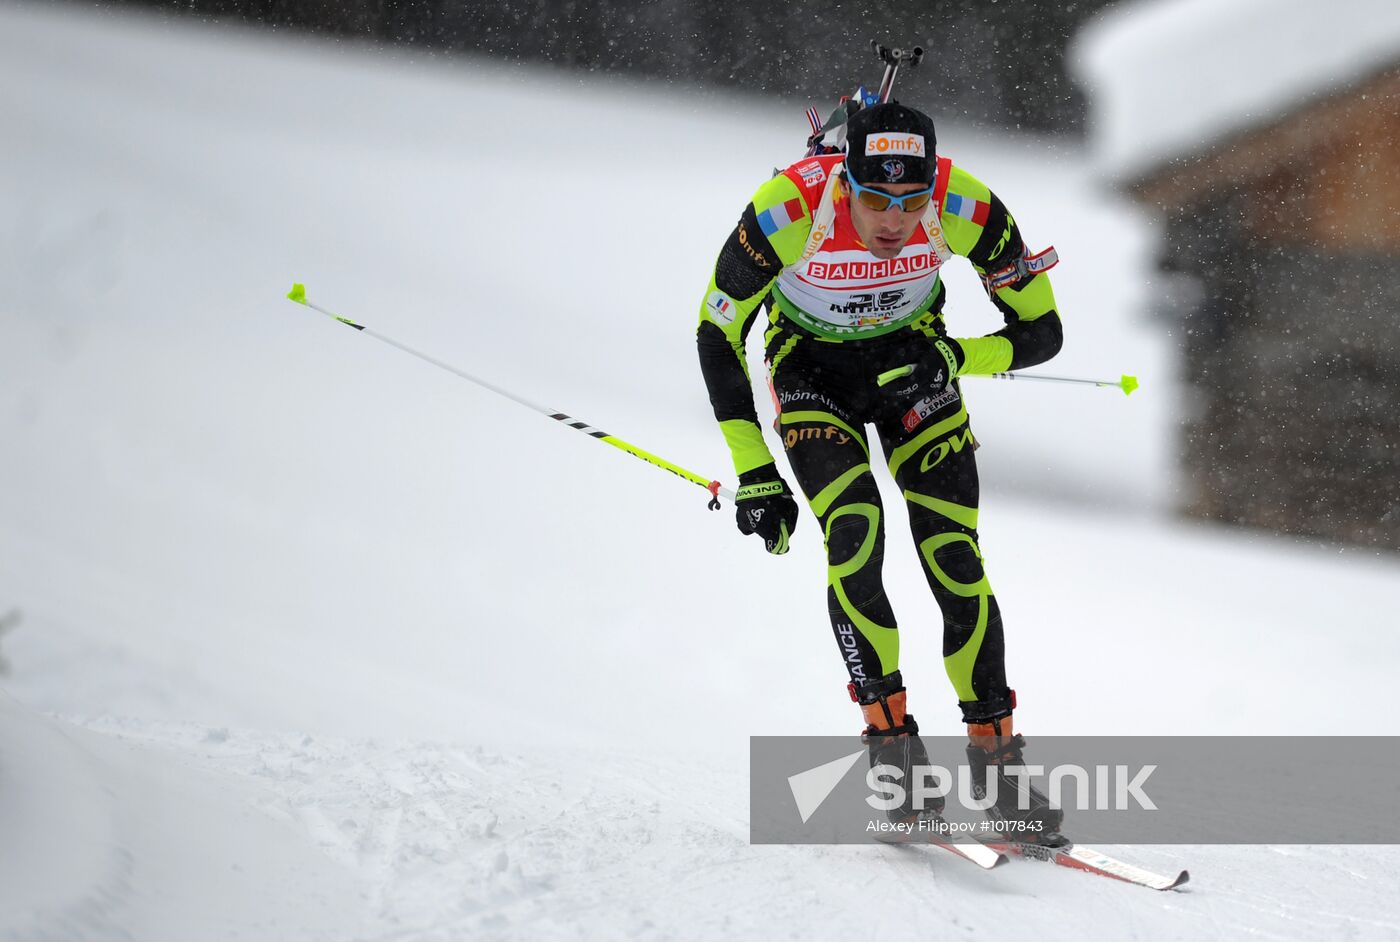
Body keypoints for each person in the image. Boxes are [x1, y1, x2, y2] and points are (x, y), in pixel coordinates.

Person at [696, 101, 1063, 834]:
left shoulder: (966, 205)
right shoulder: (787, 207)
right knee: (856, 533)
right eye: (874, 199)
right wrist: (756, 469)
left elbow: (1042, 331)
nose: (895, 221)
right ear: (844, 180)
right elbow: (717, 331)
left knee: (954, 556)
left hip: (913, 366)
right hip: (812, 374)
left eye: (912, 201)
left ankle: (998, 763)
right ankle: (893, 754)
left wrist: (957, 356)